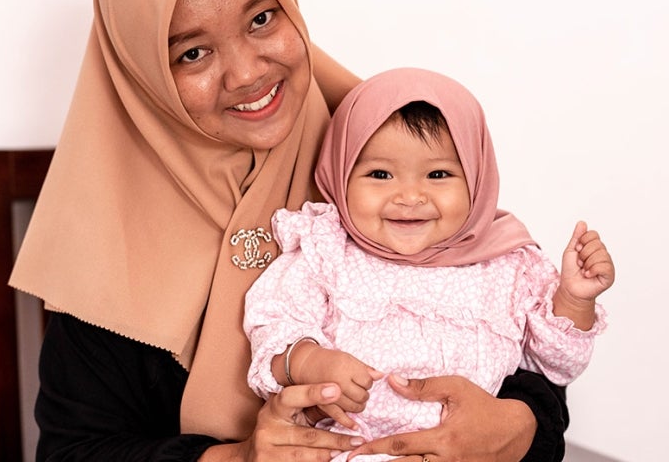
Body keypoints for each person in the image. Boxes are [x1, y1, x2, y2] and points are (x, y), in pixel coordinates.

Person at [8, 0, 569, 462]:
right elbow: (72, 451)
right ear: (144, 74)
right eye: (193, 52)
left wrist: (520, 424)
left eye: (261, 19)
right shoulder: (106, 233)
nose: (248, 73)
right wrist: (235, 458)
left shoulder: (375, 155)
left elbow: (517, 336)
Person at [245, 68, 614, 461]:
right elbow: (275, 320)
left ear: (477, 179)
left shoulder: (510, 265)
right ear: (339, 175)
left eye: (438, 174)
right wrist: (310, 360)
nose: (410, 196)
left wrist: (574, 300)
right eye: (380, 174)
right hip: (352, 450)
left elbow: (553, 366)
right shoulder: (328, 251)